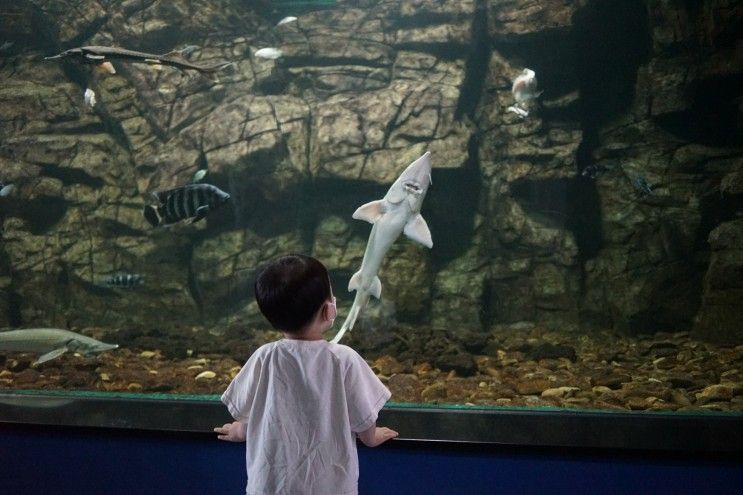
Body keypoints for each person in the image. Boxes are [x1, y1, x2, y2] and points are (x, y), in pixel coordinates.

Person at [214, 254, 398, 495]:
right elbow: (364, 418)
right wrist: (372, 437)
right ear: (328, 310)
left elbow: (257, 412)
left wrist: (239, 431)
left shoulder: (264, 357)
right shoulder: (343, 359)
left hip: (270, 486)